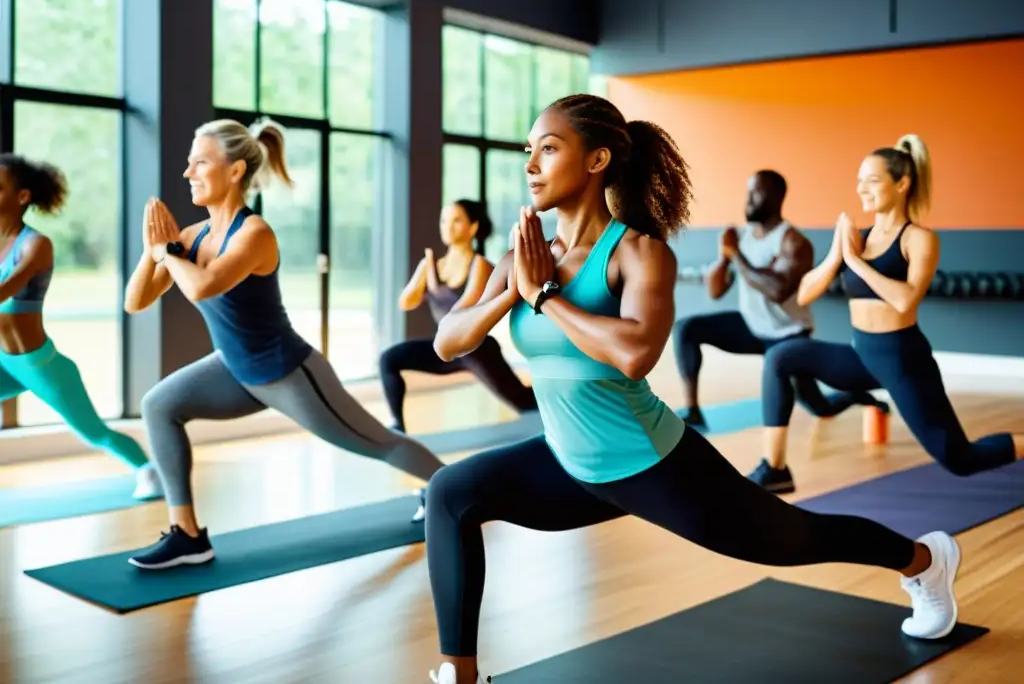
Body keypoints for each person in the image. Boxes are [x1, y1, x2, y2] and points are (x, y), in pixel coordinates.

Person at [422, 98, 961, 684]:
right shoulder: (526, 260)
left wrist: (546, 298)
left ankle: (926, 560)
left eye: (548, 149)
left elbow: (634, 355)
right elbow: (447, 343)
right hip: (569, 463)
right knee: (451, 493)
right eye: (530, 151)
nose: (531, 164)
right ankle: (461, 674)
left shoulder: (639, 253)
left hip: (651, 464)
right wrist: (515, 290)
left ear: (598, 159)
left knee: (795, 537)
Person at [123, 118, 446, 570]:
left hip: (287, 373)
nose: (188, 173)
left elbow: (202, 287)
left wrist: (166, 253)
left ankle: (450, 487)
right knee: (159, 405)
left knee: (376, 442)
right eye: (189, 163)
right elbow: (135, 301)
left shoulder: (255, 234)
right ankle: (188, 535)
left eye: (200, 162)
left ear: (235, 171)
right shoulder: (190, 238)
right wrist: (151, 250)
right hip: (235, 369)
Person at [748, 135, 1024, 494]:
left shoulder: (919, 239)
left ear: (902, 183)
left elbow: (906, 300)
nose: (862, 189)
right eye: (859, 180)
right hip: (862, 355)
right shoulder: (856, 239)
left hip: (903, 361)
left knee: (961, 459)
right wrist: (836, 254)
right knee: (781, 357)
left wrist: (857, 265)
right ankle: (775, 469)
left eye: (872, 180)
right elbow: (803, 292)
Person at [674, 168, 886, 440]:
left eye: (756, 193)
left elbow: (778, 291)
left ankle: (856, 395)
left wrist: (736, 255)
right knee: (686, 328)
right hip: (752, 327)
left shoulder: (794, 242)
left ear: (776, 198)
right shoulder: (741, 237)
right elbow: (715, 291)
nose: (748, 200)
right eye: (747, 192)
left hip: (788, 335)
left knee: (819, 407)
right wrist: (724, 257)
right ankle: (693, 411)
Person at [0, 154, 161, 500]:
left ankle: (148, 470)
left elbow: (8, 289)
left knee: (94, 433)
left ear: (22, 197)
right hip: (4, 362)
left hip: (38, 363)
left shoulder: (36, 245)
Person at [379, 199, 536, 434]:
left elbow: (463, 313)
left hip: (476, 350)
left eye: (456, 221)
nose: (447, 226)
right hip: (445, 348)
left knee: (523, 401)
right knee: (389, 360)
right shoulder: (434, 265)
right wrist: (425, 270)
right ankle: (398, 428)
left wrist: (434, 286)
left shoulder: (480, 265)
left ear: (472, 228)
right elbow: (406, 302)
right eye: (444, 220)